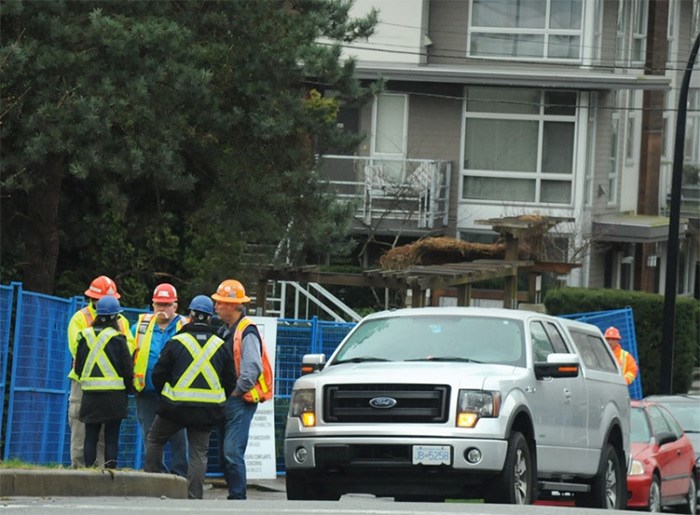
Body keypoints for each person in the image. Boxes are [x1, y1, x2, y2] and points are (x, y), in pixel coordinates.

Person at [145, 295, 236, 499]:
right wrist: (217, 399)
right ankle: (194, 497)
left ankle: (151, 488)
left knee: (155, 439)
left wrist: (166, 396)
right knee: (198, 453)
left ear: (190, 317)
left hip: (174, 408)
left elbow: (158, 374)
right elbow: (231, 381)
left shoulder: (176, 341)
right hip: (207, 411)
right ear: (210, 318)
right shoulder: (220, 345)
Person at [212, 279, 272, 500]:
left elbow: (251, 368)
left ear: (232, 305)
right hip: (231, 399)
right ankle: (235, 495)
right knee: (225, 454)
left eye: (219, 302)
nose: (216, 306)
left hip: (240, 400)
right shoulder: (227, 330)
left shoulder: (246, 331)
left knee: (231, 452)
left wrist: (236, 392)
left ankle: (238, 498)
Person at [66, 275, 134, 468]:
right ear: (93, 299)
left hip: (95, 382)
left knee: (100, 435)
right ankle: (81, 472)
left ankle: (101, 472)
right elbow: (75, 348)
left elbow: (130, 345)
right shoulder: (80, 318)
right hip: (86, 383)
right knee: (82, 432)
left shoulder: (122, 321)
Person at [132, 283, 189, 477]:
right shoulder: (140, 327)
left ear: (175, 306)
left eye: (166, 305)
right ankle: (157, 476)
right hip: (146, 391)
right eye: (158, 304)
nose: (162, 309)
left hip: (176, 394)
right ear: (152, 305)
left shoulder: (185, 326)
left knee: (179, 438)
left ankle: (180, 476)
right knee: (149, 435)